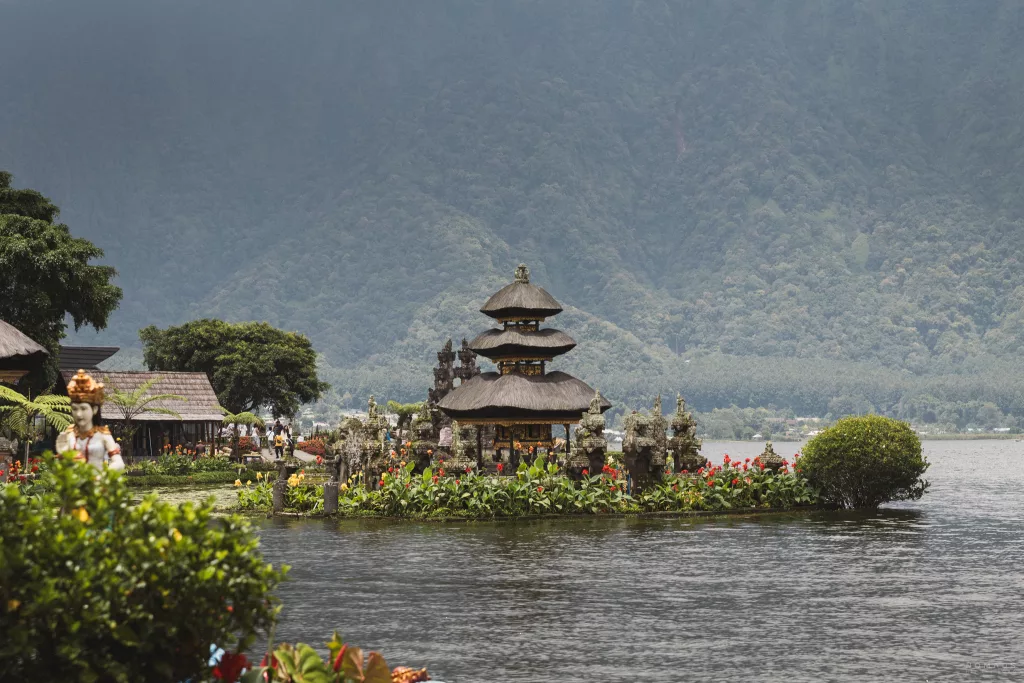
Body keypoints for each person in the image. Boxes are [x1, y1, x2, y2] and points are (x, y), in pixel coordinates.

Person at [55, 369, 125, 471]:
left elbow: (119, 463)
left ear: (94, 409)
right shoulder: (69, 434)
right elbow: (62, 466)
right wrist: (62, 454)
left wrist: (103, 475)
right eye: (75, 409)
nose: (79, 414)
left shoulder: (103, 435)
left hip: (98, 479)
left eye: (83, 409)